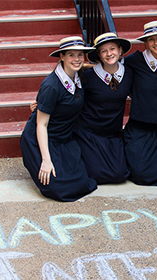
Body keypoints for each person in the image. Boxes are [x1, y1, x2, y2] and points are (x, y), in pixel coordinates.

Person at [20, 36, 97, 201]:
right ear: (61, 56)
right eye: (71, 55)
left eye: (80, 55)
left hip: (64, 139)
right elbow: (41, 125)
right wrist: (46, 161)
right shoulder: (51, 85)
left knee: (82, 183)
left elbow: (96, 67)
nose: (76, 59)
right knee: (57, 188)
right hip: (41, 138)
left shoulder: (79, 77)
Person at [122, 21, 157, 186]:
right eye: (151, 39)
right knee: (140, 174)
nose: (156, 43)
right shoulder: (134, 60)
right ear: (146, 42)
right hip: (140, 127)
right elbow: (116, 75)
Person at [73, 32, 133, 184]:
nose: (109, 54)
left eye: (112, 49)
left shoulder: (129, 74)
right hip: (88, 132)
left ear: (120, 51)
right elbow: (66, 91)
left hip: (111, 134)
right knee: (95, 175)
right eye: (103, 51)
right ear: (98, 55)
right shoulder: (88, 76)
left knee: (119, 175)